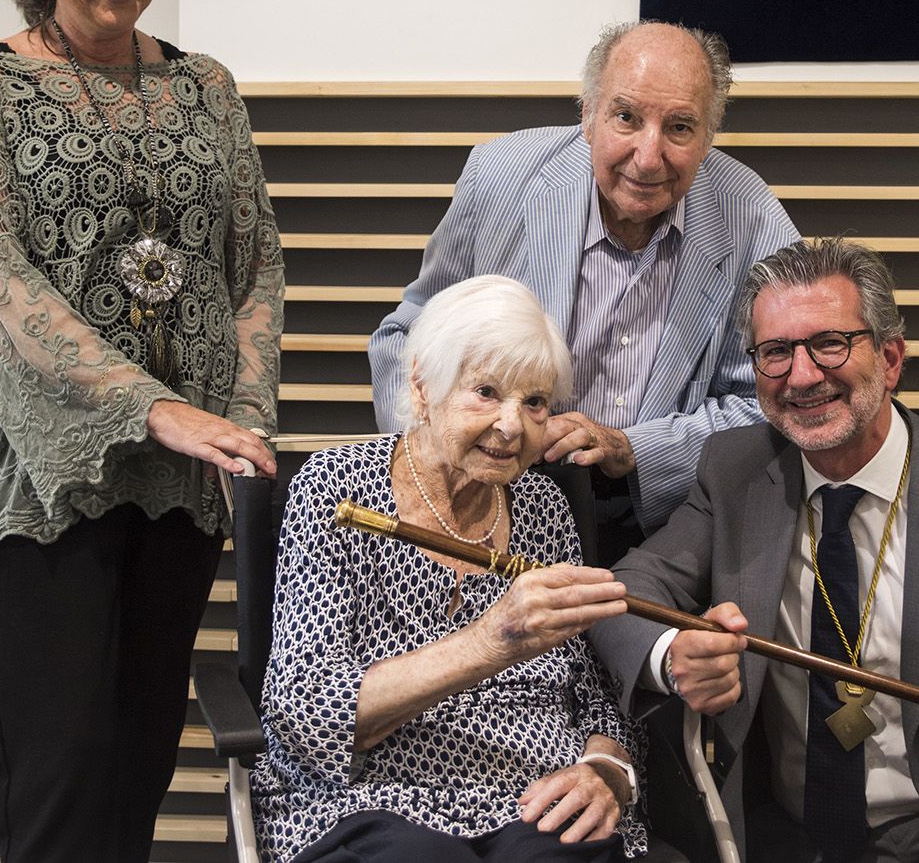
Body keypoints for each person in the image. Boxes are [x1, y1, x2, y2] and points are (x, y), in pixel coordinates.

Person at [0, 0, 283, 862]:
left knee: (134, 778)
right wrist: (147, 407)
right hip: (39, 489)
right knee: (61, 793)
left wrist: (237, 419)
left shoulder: (206, 86)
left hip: (179, 486)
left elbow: (252, 267)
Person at [591, 239, 919, 862]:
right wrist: (673, 654)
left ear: (891, 358)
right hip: (784, 832)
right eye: (775, 353)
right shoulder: (736, 473)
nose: (801, 376)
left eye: (829, 344)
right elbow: (624, 593)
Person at [369, 20, 800, 562]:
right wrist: (434, 456)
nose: (648, 156)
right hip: (494, 505)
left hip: (665, 523)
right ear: (588, 115)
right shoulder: (500, 177)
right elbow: (405, 337)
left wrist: (635, 449)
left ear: (708, 137)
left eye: (680, 128)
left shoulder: (752, 217)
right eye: (626, 117)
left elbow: (774, 402)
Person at [252, 275, 647, 862]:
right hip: (369, 798)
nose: (513, 426)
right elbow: (305, 713)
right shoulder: (338, 491)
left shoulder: (542, 507)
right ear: (421, 386)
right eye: (486, 391)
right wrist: (492, 640)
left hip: (529, 794)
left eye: (534, 402)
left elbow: (588, 690)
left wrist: (607, 769)